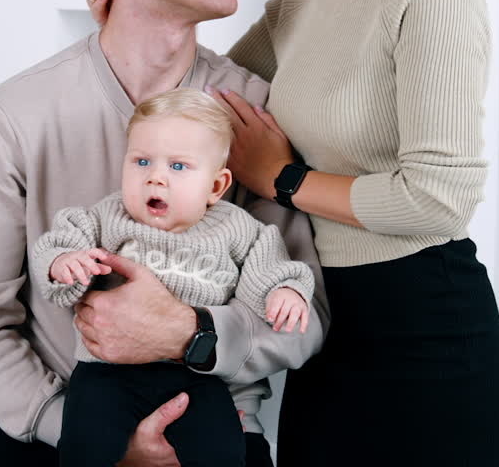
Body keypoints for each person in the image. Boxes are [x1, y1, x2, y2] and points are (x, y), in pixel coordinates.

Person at [84, 0, 499, 466]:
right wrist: (129, 7)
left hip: (428, 341)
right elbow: (203, 100)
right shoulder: (302, 0)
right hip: (324, 334)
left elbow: (440, 199)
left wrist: (284, 180)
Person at [0, 0, 326, 467]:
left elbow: (305, 318)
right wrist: (89, 436)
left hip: (215, 436)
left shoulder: (252, 114)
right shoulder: (14, 115)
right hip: (56, 431)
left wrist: (191, 335)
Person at [32, 88, 314, 467]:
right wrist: (64, 262)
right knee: (85, 443)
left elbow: (272, 269)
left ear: (215, 186)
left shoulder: (237, 229)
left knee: (224, 448)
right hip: (107, 373)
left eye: (177, 166)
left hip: (196, 375)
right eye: (142, 161)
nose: (156, 178)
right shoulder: (106, 217)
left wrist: (286, 291)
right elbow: (58, 243)